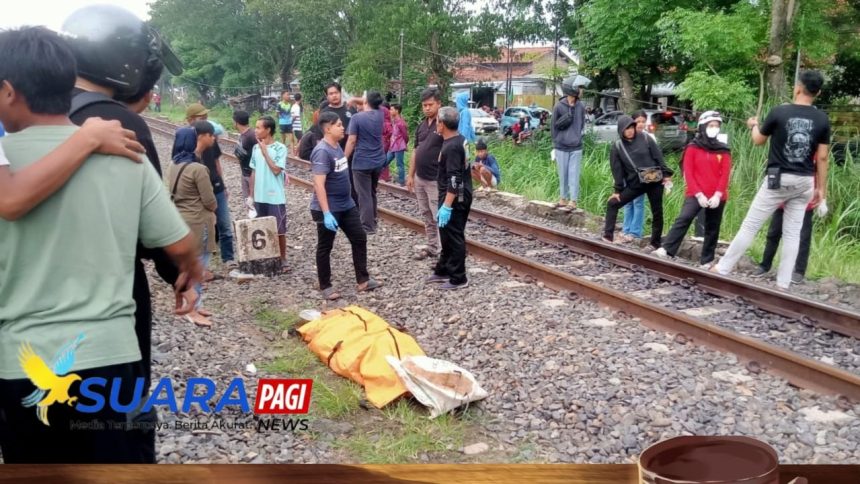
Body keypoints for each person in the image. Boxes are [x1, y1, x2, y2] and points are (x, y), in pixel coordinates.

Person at [0, 26, 201, 464]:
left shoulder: (8, 162)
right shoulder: (123, 151)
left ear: (9, 91)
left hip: (21, 366)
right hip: (113, 358)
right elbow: (179, 243)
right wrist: (188, 274)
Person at [61, 4, 187, 463]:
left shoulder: (33, 112)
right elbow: (154, 227)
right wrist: (181, 273)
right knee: (119, 425)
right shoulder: (121, 123)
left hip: (31, 303)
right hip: (111, 295)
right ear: (127, 63)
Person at [712, 71, 830, 290]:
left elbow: (758, 140)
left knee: (751, 225)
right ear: (818, 93)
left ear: (798, 88)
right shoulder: (822, 118)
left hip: (778, 179)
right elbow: (823, 157)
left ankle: (723, 268)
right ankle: (783, 283)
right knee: (792, 234)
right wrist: (821, 189)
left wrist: (753, 125)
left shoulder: (779, 112)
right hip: (805, 181)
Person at [310, 111, 381, 300]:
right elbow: (318, 184)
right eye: (339, 125)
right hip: (329, 208)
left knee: (359, 238)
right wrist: (326, 213)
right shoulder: (322, 151)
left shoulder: (336, 147)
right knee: (325, 246)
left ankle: (363, 280)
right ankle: (325, 285)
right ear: (328, 129)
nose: (343, 128)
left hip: (346, 205)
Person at [655, 111, 732, 266]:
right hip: (696, 193)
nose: (714, 128)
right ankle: (667, 249)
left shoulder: (723, 150)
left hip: (717, 196)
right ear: (703, 126)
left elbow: (725, 174)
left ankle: (707, 260)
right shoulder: (692, 148)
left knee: (712, 227)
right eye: (711, 125)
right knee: (684, 218)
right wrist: (698, 194)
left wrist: (718, 194)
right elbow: (688, 173)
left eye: (716, 126)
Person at [169, 123, 218, 327]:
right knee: (198, 265)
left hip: (180, 220)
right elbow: (209, 200)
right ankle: (193, 309)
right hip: (199, 222)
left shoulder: (172, 166)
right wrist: (214, 208)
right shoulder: (198, 169)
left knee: (186, 265)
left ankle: (194, 304)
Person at [177, 103, 235, 268]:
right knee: (200, 228)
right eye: (201, 117)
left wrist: (223, 185)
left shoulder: (211, 137)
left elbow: (216, 162)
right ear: (190, 120)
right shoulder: (185, 140)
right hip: (196, 191)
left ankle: (228, 258)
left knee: (224, 224)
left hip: (216, 187)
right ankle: (201, 265)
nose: (205, 120)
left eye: (205, 117)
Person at [603, 115, 674, 248]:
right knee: (613, 204)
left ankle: (655, 243)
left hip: (654, 179)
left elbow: (658, 156)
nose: (630, 131)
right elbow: (617, 170)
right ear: (621, 130)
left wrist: (666, 175)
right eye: (626, 129)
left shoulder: (645, 138)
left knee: (657, 211)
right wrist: (617, 190)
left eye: (632, 127)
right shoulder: (617, 146)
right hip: (636, 183)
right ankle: (607, 237)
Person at [425, 106, 473, 290]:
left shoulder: (452, 147)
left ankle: (459, 277)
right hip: (454, 194)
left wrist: (447, 205)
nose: (436, 124)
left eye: (437, 121)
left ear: (442, 124)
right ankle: (444, 268)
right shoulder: (458, 139)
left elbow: (454, 178)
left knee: (454, 235)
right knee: (445, 233)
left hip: (455, 196)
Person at [407, 87, 444, 260]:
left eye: (430, 104)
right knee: (426, 214)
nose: (427, 108)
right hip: (420, 177)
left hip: (435, 178)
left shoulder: (443, 125)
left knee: (439, 216)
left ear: (439, 104)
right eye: (424, 105)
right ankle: (432, 246)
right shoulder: (421, 126)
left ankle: (443, 251)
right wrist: (410, 175)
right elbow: (415, 151)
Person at [752, 195, 822, 283]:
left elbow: (822, 185)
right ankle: (764, 265)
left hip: (804, 203)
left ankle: (799, 271)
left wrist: (822, 199)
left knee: (803, 238)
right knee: (773, 234)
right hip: (782, 200)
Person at [250, 115, 289, 268]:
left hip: (275, 197)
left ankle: (283, 259)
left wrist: (265, 152)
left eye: (258, 127)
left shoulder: (280, 148)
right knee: (261, 227)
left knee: (279, 230)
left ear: (268, 130)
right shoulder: (255, 148)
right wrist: (251, 195)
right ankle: (268, 259)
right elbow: (253, 172)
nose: (255, 130)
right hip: (259, 196)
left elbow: (276, 170)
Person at [345, 91, 387, 234]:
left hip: (362, 162)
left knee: (363, 195)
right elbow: (367, 101)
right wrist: (354, 99)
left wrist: (344, 158)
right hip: (378, 161)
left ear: (366, 102)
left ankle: (367, 227)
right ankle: (373, 220)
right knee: (371, 191)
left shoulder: (357, 118)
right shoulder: (381, 113)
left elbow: (352, 140)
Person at [551, 76, 587, 209]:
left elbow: (582, 124)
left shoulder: (581, 106)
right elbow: (553, 127)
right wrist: (556, 142)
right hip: (561, 146)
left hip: (576, 146)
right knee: (563, 174)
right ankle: (563, 199)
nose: (582, 90)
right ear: (572, 89)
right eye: (579, 88)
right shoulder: (559, 106)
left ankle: (573, 201)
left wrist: (577, 137)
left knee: (574, 174)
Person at [619, 110, 653, 243]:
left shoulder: (648, 138)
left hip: (642, 176)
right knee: (627, 202)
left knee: (638, 203)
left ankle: (635, 232)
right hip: (627, 175)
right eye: (638, 121)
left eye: (643, 121)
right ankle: (626, 229)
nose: (640, 124)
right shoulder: (626, 137)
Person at [232, 110, 256, 201]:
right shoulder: (245, 134)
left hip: (251, 174)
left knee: (252, 201)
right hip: (245, 172)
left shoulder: (251, 135)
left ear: (236, 122)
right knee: (248, 200)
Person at [387, 103, 409, 186]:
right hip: (393, 146)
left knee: (399, 164)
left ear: (397, 111)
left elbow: (405, 136)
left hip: (399, 146)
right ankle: (380, 176)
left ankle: (402, 181)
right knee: (385, 161)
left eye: (391, 109)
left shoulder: (400, 123)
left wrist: (404, 144)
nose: (390, 111)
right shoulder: (394, 121)